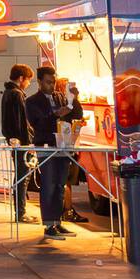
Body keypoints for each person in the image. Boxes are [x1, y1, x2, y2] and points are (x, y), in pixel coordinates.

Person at [25, 66, 83, 240]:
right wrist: (55, 114)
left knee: (60, 185)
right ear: (40, 82)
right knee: (49, 184)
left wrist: (75, 99)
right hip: (46, 146)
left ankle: (57, 221)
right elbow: (37, 123)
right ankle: (49, 225)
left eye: (54, 82)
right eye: (48, 82)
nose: (52, 85)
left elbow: (76, 114)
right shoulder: (32, 101)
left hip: (62, 145)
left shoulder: (60, 97)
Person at [1, 64, 37, 223]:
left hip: (14, 141)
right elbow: (22, 122)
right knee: (23, 178)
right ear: (21, 78)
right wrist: (29, 142)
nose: (29, 83)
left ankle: (20, 212)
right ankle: (21, 213)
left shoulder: (7, 93)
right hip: (22, 143)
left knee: (20, 177)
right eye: (28, 80)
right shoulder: (17, 95)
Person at [55, 78, 89, 223]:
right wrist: (75, 99)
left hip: (59, 143)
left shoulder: (55, 100)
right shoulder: (66, 102)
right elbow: (78, 115)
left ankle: (64, 209)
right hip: (66, 143)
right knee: (66, 178)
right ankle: (67, 209)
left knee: (63, 179)